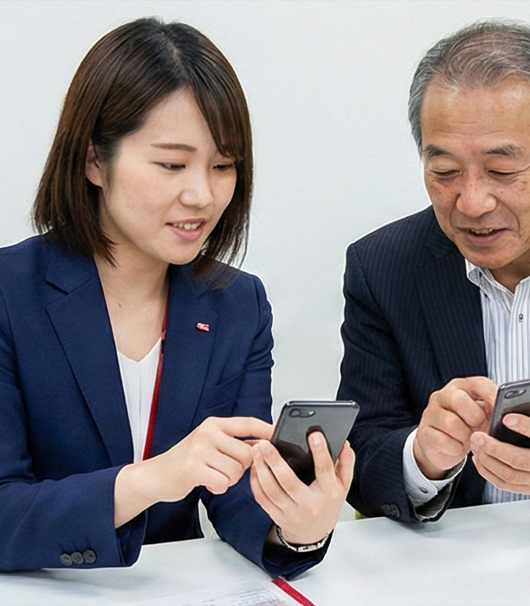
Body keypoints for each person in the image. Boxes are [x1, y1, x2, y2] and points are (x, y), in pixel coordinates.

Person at [0, 17, 354, 575]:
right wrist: (151, 480)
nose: (202, 195)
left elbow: (237, 493)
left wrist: (297, 530)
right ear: (94, 161)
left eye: (223, 166)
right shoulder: (10, 293)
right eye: (171, 164)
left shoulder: (238, 304)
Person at [338, 18, 530, 536]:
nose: (472, 203)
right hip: (452, 566)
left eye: (501, 171)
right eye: (444, 172)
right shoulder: (383, 268)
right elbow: (362, 455)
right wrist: (422, 457)